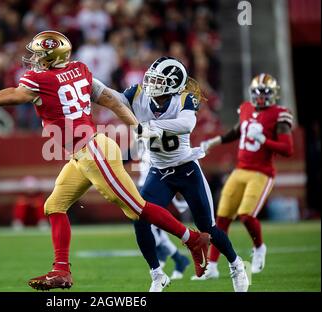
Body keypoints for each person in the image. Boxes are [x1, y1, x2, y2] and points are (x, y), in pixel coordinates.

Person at [0, 30, 210, 291]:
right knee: (54, 205)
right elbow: (113, 102)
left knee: (137, 207)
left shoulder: (40, 80)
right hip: (83, 153)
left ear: (52, 56)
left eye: (38, 55)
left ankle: (193, 239)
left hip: (94, 151)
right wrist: (136, 126)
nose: (33, 60)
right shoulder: (79, 69)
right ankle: (61, 270)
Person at [114, 57, 249, 292]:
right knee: (139, 218)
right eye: (152, 78)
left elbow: (186, 124)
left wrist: (150, 128)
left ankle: (236, 265)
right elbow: (112, 99)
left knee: (207, 226)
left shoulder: (185, 98)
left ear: (173, 84)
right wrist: (91, 87)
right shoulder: (137, 93)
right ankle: (157, 275)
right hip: (158, 172)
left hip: (186, 169)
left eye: (158, 80)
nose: (151, 84)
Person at [200, 73, 294, 278]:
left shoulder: (280, 114)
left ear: (274, 94)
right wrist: (213, 142)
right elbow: (236, 131)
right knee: (221, 218)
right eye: (257, 92)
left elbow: (288, 149)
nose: (260, 96)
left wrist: (264, 140)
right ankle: (213, 266)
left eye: (265, 92)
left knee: (246, 215)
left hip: (261, 172)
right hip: (240, 170)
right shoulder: (245, 108)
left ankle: (259, 248)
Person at [133, 137, 190, 290]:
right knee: (151, 227)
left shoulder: (154, 127)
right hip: (144, 183)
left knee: (151, 228)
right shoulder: (139, 131)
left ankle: (173, 258)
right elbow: (135, 153)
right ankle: (178, 259)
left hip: (154, 183)